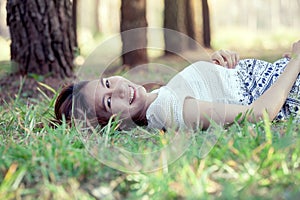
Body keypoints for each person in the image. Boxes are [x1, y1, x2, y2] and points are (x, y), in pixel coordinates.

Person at [55, 40, 300, 130]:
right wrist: (296, 61)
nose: (118, 89)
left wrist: (218, 69)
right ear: (112, 126)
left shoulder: (160, 98)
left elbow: (225, 94)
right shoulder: (169, 110)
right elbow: (260, 114)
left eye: (107, 82)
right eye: (108, 102)